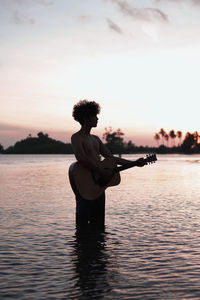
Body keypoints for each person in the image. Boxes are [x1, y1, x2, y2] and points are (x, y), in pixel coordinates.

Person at [71, 100, 145, 230]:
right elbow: (81, 158)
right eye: (94, 115)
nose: (97, 118)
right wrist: (101, 170)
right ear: (85, 118)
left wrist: (134, 163)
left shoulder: (96, 139)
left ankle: (98, 249)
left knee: (99, 225)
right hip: (84, 185)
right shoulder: (77, 137)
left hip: (99, 186)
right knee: (82, 226)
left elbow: (111, 159)